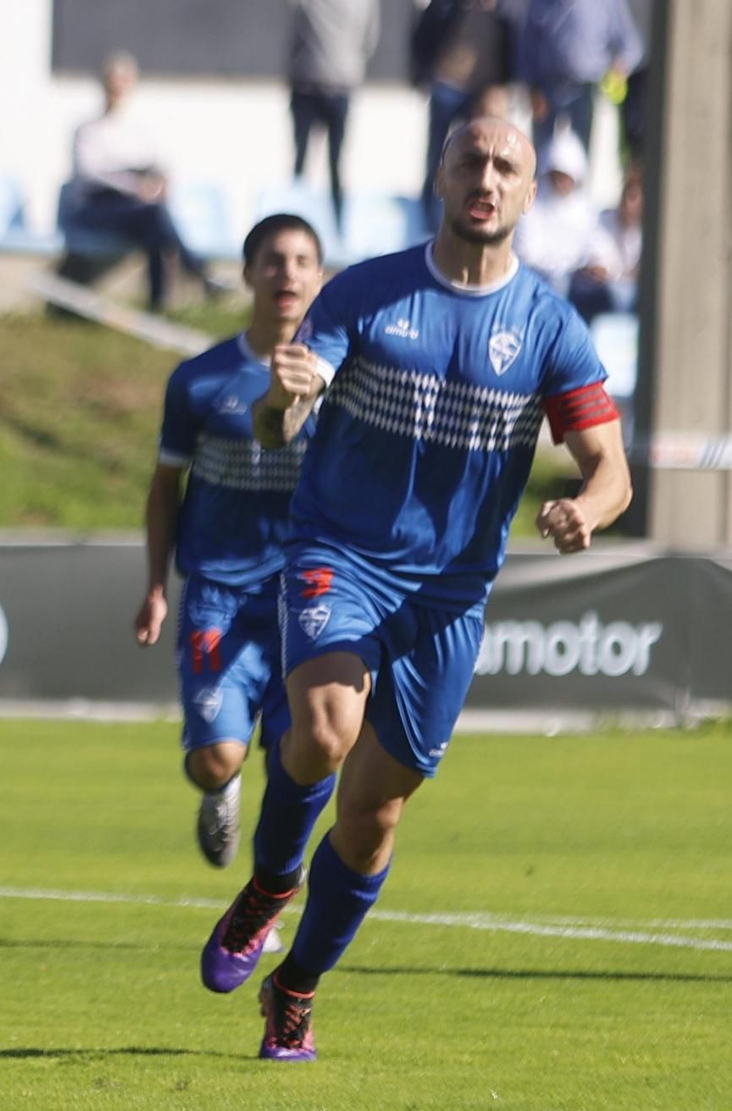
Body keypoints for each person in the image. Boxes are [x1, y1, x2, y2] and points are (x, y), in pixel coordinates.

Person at [198, 117, 630, 1061]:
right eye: (470, 160)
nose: (487, 177)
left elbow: (612, 468)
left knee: (377, 812)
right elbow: (278, 427)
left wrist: (587, 509)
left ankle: (296, 984)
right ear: (441, 175)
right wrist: (284, 395)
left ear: (528, 193)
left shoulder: (551, 325)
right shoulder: (365, 291)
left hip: (451, 593)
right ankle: (272, 883)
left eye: (506, 166)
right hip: (340, 553)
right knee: (320, 732)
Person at [133, 215, 325, 871]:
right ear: (247, 273)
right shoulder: (199, 379)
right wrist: (156, 585)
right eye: (273, 259)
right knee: (218, 754)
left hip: (309, 597)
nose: (288, 273)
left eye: (303, 260)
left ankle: (266, 898)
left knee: (299, 756)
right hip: (219, 590)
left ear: (320, 277)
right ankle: (221, 784)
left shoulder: (342, 383)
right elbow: (165, 486)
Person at [61, 51, 210, 312]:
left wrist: (161, 183)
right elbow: (91, 174)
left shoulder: (139, 130)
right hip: (97, 208)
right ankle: (195, 271)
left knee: (154, 224)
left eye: (123, 79)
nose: (117, 85)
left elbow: (158, 165)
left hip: (136, 209)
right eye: (113, 79)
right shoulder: (87, 130)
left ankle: (158, 302)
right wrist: (135, 186)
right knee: (154, 216)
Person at [410, 0, 516, 231]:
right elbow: (423, 35)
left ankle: (466, 213)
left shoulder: (502, 14)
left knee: (475, 156)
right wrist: (423, 74)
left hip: (479, 93)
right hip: (447, 85)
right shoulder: (449, 6)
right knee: (437, 153)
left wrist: (501, 88)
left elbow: (510, 50)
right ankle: (427, 217)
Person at [287, 0, 381, 232]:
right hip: (341, 81)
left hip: (308, 80)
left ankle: (295, 223)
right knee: (335, 163)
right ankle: (336, 226)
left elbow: (296, 30)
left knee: (302, 163)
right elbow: (368, 42)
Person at [517, 0, 643, 162]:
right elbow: (527, 47)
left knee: (581, 158)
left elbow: (632, 46)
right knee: (541, 156)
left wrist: (620, 67)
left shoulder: (608, 3)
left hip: (587, 90)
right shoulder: (541, 3)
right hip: (546, 90)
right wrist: (532, 88)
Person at [515, 128, 601, 296]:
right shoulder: (530, 208)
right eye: (557, 174)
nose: (562, 182)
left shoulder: (587, 211)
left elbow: (593, 249)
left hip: (578, 285)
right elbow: (528, 255)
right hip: (537, 281)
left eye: (566, 176)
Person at [568, 158, 642, 320]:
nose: (630, 203)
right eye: (628, 194)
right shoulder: (602, 219)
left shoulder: (647, 232)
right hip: (599, 292)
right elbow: (597, 261)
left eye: (635, 197)